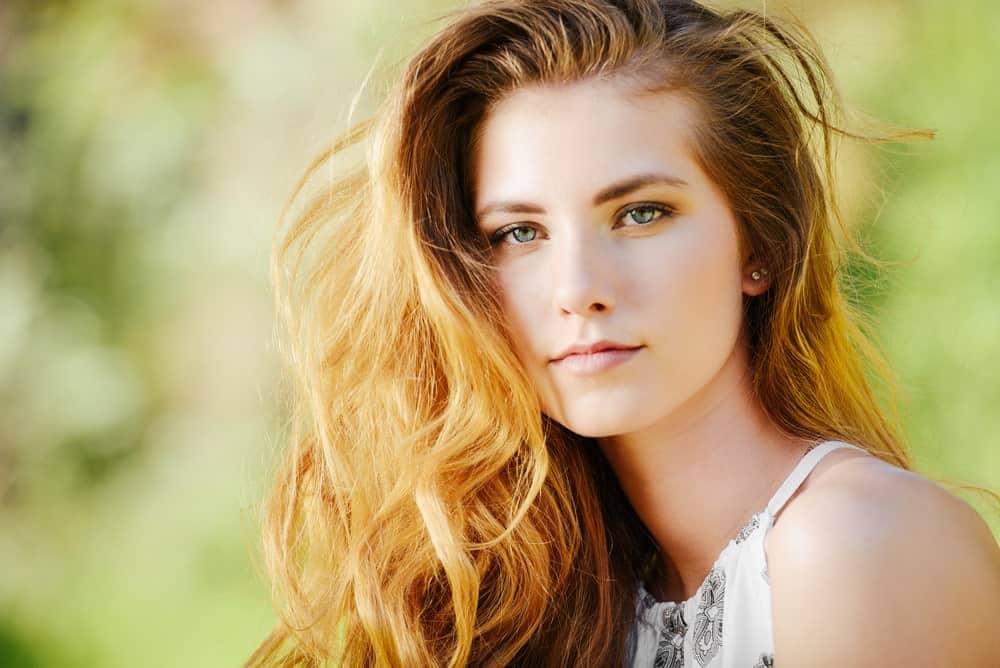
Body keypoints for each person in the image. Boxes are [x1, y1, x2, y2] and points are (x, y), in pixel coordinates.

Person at [247, 1, 1000, 666]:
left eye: (641, 213)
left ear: (759, 248)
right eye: (518, 232)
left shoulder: (856, 546)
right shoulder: (562, 600)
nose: (579, 291)